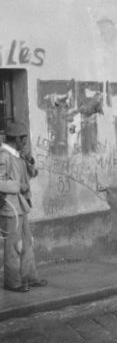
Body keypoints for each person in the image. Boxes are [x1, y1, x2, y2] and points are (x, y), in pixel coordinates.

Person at [0, 122, 45, 293]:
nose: (26, 142)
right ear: (17, 139)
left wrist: (29, 161)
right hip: (10, 208)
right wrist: (19, 186)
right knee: (13, 246)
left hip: (22, 206)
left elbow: (31, 175)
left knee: (27, 243)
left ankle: (29, 277)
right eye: (24, 139)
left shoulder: (17, 155)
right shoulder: (3, 156)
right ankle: (12, 282)